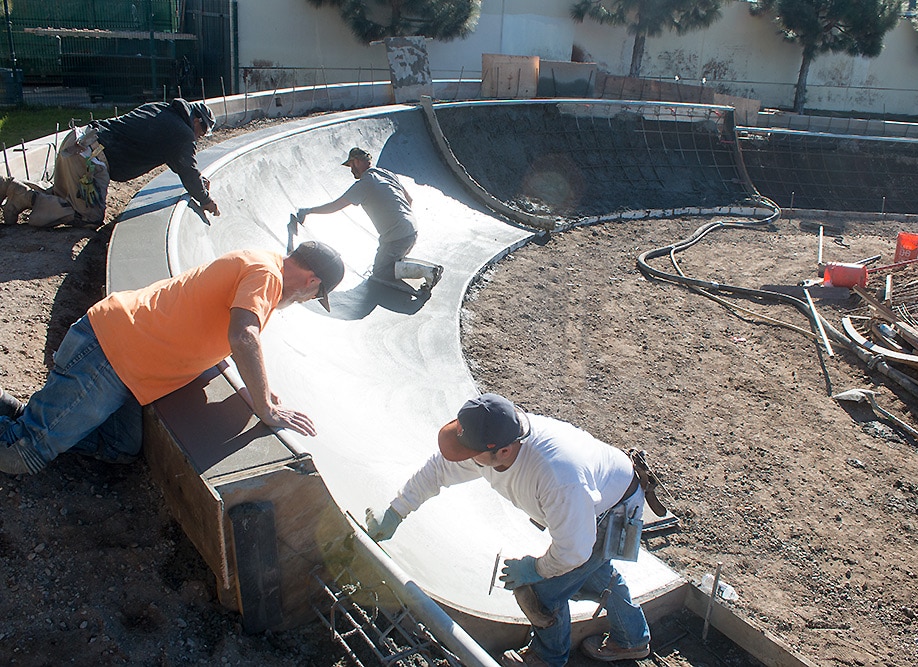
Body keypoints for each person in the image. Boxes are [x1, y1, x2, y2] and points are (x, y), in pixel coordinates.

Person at [0, 241, 345, 476]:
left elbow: (217, 340)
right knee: (26, 454)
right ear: (313, 280)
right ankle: (31, 427)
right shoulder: (268, 277)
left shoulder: (260, 263)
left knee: (121, 446)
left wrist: (249, 390)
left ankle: (28, 415)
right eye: (315, 295)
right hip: (111, 352)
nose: (306, 299)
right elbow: (243, 337)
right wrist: (266, 410)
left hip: (128, 364)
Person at [364, 393, 651, 667]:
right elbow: (438, 470)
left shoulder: (557, 477)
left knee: (541, 592)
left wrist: (536, 569)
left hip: (613, 510)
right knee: (596, 573)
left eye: (472, 454)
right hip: (599, 494)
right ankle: (631, 640)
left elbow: (573, 551)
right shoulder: (495, 437)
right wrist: (395, 512)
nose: (466, 458)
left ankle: (546, 658)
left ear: (503, 450)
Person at [1, 98, 221, 229]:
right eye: (202, 132)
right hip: (90, 159)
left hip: (78, 141)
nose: (199, 137)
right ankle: (25, 196)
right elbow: (187, 169)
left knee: (64, 196)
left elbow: (180, 164)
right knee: (90, 217)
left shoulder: (162, 111)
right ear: (195, 121)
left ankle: (12, 188)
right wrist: (206, 199)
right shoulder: (182, 134)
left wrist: (198, 181)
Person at [295, 147, 443, 297]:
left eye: (351, 166)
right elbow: (409, 200)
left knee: (380, 272)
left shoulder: (366, 183)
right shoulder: (386, 173)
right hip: (412, 229)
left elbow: (335, 206)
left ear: (357, 162)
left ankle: (428, 272)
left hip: (397, 236)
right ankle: (425, 268)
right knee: (391, 261)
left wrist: (308, 210)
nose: (352, 171)